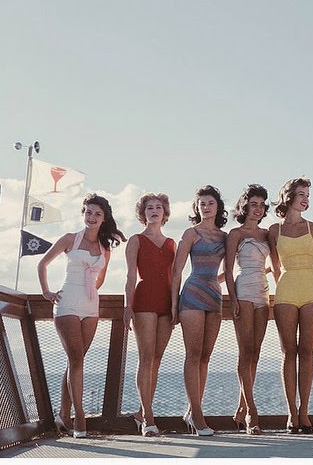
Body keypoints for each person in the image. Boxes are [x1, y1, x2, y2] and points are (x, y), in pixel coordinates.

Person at [37, 193, 125, 438]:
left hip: (90, 305)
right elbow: (42, 264)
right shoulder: (69, 239)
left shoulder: (105, 248)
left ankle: (62, 415)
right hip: (66, 303)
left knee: (75, 360)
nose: (92, 217)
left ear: (104, 217)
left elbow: (102, 278)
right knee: (76, 359)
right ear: (83, 213)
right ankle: (80, 417)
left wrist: (90, 292)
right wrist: (46, 292)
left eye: (97, 213)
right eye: (88, 212)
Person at [268, 177, 313, 434]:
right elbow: (275, 265)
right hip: (286, 289)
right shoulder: (274, 230)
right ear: (288, 197)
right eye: (301, 194)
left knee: (307, 351)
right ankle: (292, 413)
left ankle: (305, 412)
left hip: (311, 289)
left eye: (308, 195)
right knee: (288, 352)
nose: (305, 198)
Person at [171, 185, 228, 437]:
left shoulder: (225, 237)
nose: (206, 207)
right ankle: (197, 414)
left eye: (210, 203)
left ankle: (192, 409)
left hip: (215, 297)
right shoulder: (190, 233)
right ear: (197, 207)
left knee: (205, 356)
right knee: (193, 354)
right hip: (192, 295)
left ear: (218, 207)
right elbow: (176, 271)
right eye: (202, 203)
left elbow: (228, 272)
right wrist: (174, 304)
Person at [124, 193, 176, 437]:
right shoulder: (135, 240)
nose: (154, 211)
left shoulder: (171, 244)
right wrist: (128, 306)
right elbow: (130, 277)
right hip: (143, 300)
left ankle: (140, 412)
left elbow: (174, 278)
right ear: (142, 213)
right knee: (146, 358)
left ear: (165, 213)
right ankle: (148, 417)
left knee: (156, 359)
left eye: (158, 207)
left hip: (167, 303)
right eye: (149, 208)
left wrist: (176, 305)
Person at [224, 184, 272, 435]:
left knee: (256, 351)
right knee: (245, 350)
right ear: (245, 206)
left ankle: (241, 408)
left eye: (262, 205)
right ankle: (252, 412)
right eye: (254, 204)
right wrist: (232, 299)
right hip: (243, 292)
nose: (258, 208)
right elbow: (229, 271)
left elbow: (276, 265)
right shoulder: (235, 234)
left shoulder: (267, 234)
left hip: (263, 294)